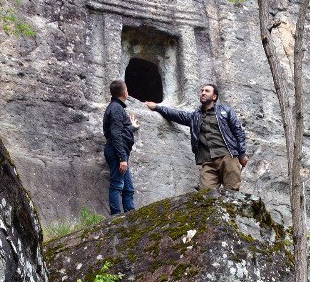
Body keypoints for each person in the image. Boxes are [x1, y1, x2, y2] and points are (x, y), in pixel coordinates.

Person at [144, 84, 249, 191]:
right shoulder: (195, 116)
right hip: (208, 162)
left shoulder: (226, 111)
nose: (203, 93)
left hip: (228, 157)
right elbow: (177, 115)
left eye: (207, 91)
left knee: (232, 192)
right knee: (206, 195)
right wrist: (157, 107)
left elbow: (238, 131)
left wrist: (241, 154)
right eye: (202, 91)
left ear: (214, 97)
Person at [103, 79, 137, 215]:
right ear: (125, 93)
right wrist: (122, 158)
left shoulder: (116, 108)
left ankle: (131, 215)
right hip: (117, 152)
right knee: (117, 185)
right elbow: (116, 134)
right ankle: (116, 218)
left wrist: (131, 127)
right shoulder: (116, 109)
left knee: (128, 188)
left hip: (120, 151)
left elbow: (120, 131)